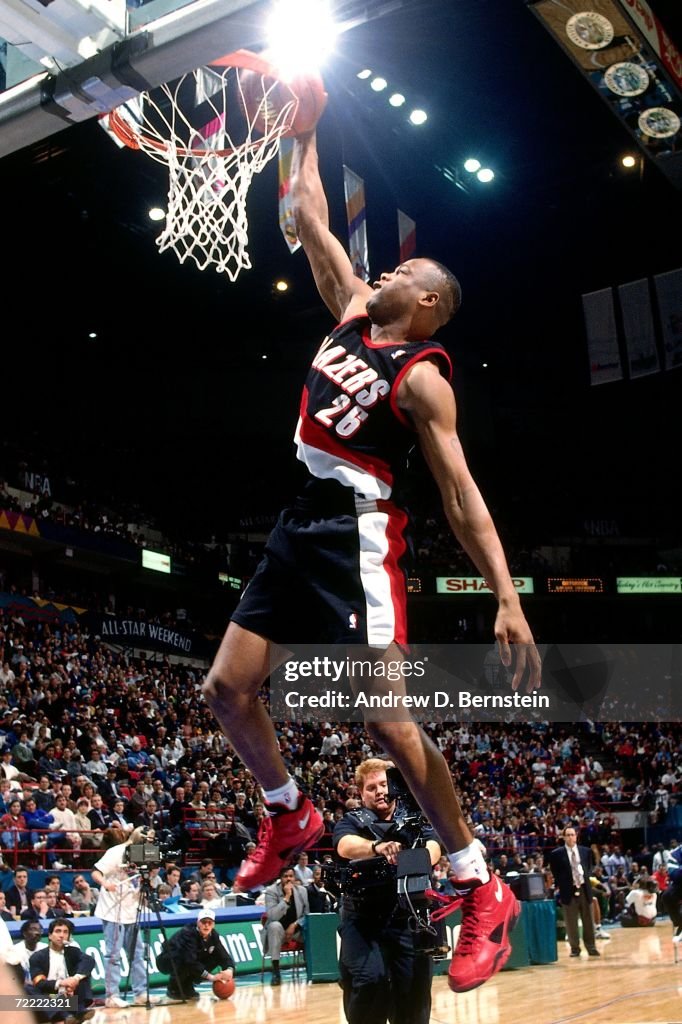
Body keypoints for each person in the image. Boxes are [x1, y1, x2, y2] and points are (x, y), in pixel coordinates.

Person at [201, 118, 541, 997]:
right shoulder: (352, 311)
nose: (387, 271)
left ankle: (478, 882)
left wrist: (507, 596)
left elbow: (462, 497)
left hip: (357, 536)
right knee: (226, 692)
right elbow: (310, 215)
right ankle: (288, 814)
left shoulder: (424, 374)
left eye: (406, 274)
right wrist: (302, 127)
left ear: (429, 303)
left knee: (388, 725)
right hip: (296, 521)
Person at [332, 759, 441, 1024]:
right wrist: (377, 847)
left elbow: (435, 848)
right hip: (363, 921)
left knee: (414, 997)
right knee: (370, 982)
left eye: (384, 784)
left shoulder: (415, 819)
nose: (380, 791)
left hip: (408, 920)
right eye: (372, 787)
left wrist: (416, 857)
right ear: (361, 793)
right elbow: (344, 846)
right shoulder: (351, 821)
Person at [90, 825, 161, 1008]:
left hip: (133, 908)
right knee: (113, 955)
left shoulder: (147, 853)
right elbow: (96, 872)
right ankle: (112, 996)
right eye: (147, 841)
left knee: (138, 953)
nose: (149, 845)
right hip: (113, 909)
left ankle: (140, 993)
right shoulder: (116, 852)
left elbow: (149, 877)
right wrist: (106, 884)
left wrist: (153, 873)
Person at [156, 907, 235, 1000]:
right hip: (166, 961)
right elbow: (190, 961)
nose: (206, 925)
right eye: (203, 922)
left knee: (215, 957)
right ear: (198, 923)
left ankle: (188, 986)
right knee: (184, 959)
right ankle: (174, 988)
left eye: (209, 923)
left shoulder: (214, 935)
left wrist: (229, 970)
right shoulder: (188, 933)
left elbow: (224, 955)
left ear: (213, 924)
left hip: (188, 961)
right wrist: (211, 977)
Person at [29, 917, 95, 1023]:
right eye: (58, 931)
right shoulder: (37, 957)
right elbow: (40, 983)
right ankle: (64, 1017)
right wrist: (61, 984)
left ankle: (80, 1010)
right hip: (50, 998)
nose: (61, 935)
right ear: (50, 935)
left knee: (83, 974)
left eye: (65, 932)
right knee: (29, 989)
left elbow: (89, 961)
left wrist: (75, 979)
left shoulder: (73, 952)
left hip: (69, 997)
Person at [549, 826, 600, 958]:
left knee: (588, 919)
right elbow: (555, 872)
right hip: (568, 890)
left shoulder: (586, 851)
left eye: (573, 835)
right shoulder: (557, 854)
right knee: (571, 921)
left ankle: (591, 947)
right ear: (564, 837)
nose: (571, 837)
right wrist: (564, 884)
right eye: (568, 835)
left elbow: (589, 868)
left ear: (576, 836)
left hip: (584, 888)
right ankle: (575, 948)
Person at [262, 865, 309, 986]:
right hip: (278, 933)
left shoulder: (302, 891)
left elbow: (307, 914)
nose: (288, 879)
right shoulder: (271, 892)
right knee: (275, 926)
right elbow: (272, 916)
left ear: (294, 878)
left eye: (291, 876)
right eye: (285, 876)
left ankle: (313, 968)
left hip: (296, 931)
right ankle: (276, 971)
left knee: (313, 928)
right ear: (280, 878)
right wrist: (286, 898)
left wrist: (295, 924)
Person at [5, 919, 46, 984]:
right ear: (25, 933)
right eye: (33, 929)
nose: (37, 933)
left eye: (39, 930)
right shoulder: (14, 950)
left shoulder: (45, 948)